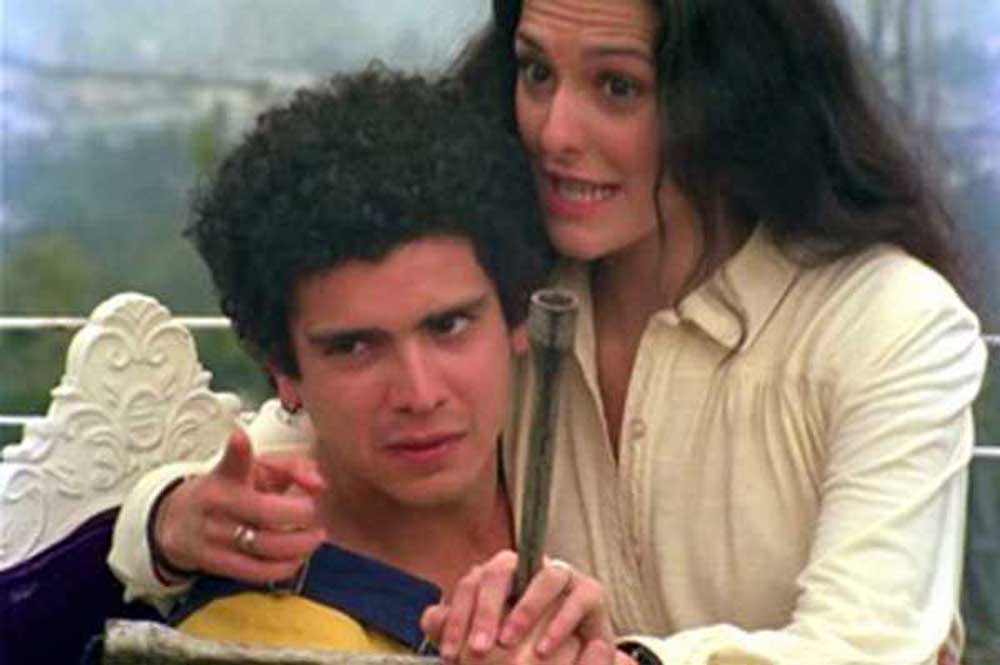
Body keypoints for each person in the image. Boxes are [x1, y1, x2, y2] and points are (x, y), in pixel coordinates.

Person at [111, 1, 987, 664]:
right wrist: (165, 521)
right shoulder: (508, 282)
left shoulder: (885, 323)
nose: (555, 132)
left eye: (617, 87)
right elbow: (301, 440)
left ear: (733, 99)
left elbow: (868, 642)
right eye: (536, 73)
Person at [114, 67, 624, 660]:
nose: (420, 394)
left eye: (448, 326)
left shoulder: (584, 463)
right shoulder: (254, 631)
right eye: (355, 348)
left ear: (515, 319)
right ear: (284, 371)